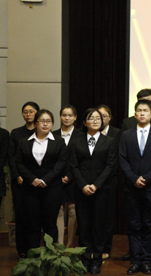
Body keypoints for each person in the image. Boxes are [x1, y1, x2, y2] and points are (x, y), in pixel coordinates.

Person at [121, 89, 151, 262]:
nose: (142, 114)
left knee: (149, 224)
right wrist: (133, 178)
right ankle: (135, 259)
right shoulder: (126, 135)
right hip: (131, 186)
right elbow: (122, 159)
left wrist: (147, 178)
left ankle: (148, 259)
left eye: (145, 111)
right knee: (134, 224)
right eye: (139, 111)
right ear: (135, 114)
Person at [70, 108, 117, 275]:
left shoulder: (109, 141)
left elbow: (110, 165)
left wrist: (96, 185)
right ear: (84, 122)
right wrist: (83, 185)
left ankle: (96, 259)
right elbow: (73, 165)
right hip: (81, 190)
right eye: (91, 118)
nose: (96, 121)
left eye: (98, 118)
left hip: (101, 190)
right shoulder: (76, 141)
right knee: (84, 225)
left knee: (99, 225)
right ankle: (85, 259)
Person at [15, 109, 68, 251]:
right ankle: (34, 256)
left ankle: (50, 256)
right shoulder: (24, 142)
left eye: (48, 121)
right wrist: (32, 179)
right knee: (32, 224)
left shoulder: (59, 141)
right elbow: (19, 163)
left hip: (52, 188)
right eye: (42, 121)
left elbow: (62, 162)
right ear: (36, 123)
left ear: (52, 123)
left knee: (50, 224)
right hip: (30, 188)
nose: (45, 124)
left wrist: (45, 180)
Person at [9, 101, 39, 257]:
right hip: (19, 181)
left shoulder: (42, 132)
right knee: (21, 216)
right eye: (25, 112)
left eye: (31, 111)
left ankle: (35, 249)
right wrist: (17, 176)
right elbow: (11, 157)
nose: (28, 114)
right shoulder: (16, 133)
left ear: (37, 113)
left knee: (35, 217)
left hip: (36, 181)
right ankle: (22, 250)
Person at [54, 105, 83, 248]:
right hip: (56, 178)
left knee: (73, 211)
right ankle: (60, 244)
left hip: (74, 177)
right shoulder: (53, 134)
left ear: (75, 117)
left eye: (70, 115)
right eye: (64, 115)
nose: (67, 118)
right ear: (60, 117)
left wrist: (70, 176)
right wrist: (58, 175)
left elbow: (81, 159)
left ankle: (70, 244)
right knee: (59, 210)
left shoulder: (81, 135)